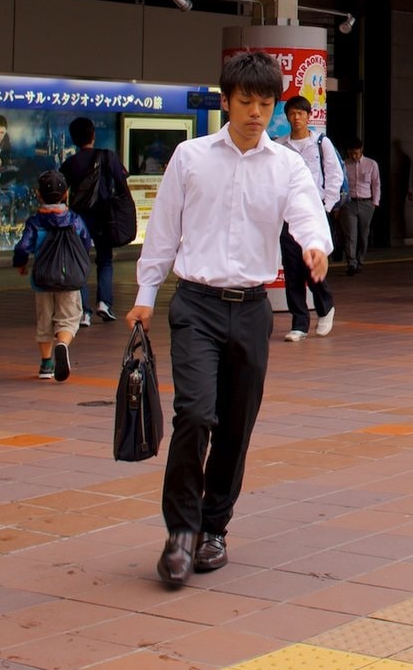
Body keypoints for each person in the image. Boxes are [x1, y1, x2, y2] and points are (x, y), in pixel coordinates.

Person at [130, 52, 334, 587]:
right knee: (195, 416)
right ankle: (180, 532)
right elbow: (163, 230)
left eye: (265, 103)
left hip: (251, 312)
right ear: (226, 101)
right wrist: (146, 293)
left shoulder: (287, 165)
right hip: (195, 304)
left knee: (236, 427)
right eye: (246, 101)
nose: (256, 112)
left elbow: (308, 215)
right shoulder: (191, 157)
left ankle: (213, 529)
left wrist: (315, 247)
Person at [11, 169, 89, 382]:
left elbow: (23, 247)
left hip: (43, 280)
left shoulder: (35, 223)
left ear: (38, 194)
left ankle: (46, 364)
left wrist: (21, 264)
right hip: (69, 279)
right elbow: (86, 243)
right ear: (66, 194)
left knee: (44, 321)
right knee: (69, 319)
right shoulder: (74, 220)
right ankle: (62, 344)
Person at [278, 95, 343, 342]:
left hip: (314, 213)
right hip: (288, 214)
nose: (296, 119)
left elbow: (334, 174)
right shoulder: (281, 145)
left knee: (312, 264)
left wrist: (325, 206)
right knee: (292, 269)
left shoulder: (320, 142)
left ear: (308, 116)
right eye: (292, 114)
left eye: (301, 114)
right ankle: (299, 323)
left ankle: (325, 308)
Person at [60, 118, 127, 324]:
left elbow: (61, 193)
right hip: (105, 216)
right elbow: (122, 184)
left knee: (80, 262)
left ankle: (83, 312)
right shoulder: (108, 157)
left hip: (80, 219)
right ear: (93, 135)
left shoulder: (70, 164)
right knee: (105, 260)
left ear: (73, 139)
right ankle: (104, 304)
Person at [336, 141, 379, 274]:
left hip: (367, 203)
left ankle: (360, 260)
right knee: (351, 234)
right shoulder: (344, 164)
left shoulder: (371, 164)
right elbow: (339, 183)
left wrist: (375, 203)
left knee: (363, 235)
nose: (353, 156)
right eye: (351, 153)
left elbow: (376, 184)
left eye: (356, 153)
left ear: (361, 150)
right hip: (349, 203)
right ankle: (352, 263)